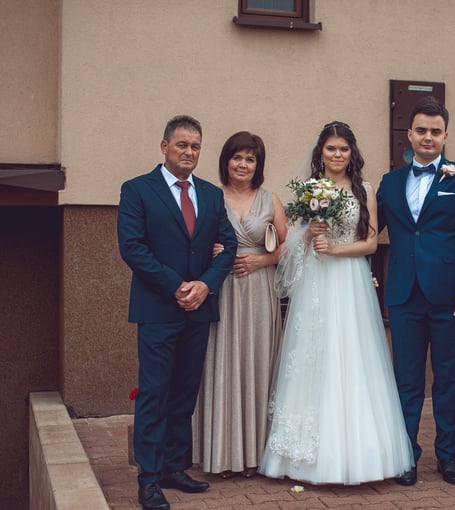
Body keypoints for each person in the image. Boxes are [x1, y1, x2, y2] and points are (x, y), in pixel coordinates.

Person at [258, 121, 413, 485]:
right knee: (314, 353)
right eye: (331, 148)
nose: (338, 154)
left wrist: (335, 249)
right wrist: (309, 234)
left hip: (350, 278)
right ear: (321, 152)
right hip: (317, 280)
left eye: (344, 149)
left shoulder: (365, 190)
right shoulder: (310, 190)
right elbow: (292, 242)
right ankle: (301, 455)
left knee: (353, 354)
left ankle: (359, 454)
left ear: (351, 153)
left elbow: (371, 243)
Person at [117, 115, 238, 510]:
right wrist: (176, 286)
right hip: (158, 309)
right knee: (154, 393)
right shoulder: (137, 190)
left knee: (185, 392)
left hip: (199, 308)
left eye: (195, 146)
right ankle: (149, 479)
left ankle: (173, 467)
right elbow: (133, 247)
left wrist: (205, 285)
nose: (189, 152)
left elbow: (229, 247)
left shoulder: (211, 194)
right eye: (182, 144)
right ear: (164, 146)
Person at [376, 96, 455, 486]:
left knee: (448, 379)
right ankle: (406, 455)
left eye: (435, 131)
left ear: (445, 136)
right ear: (409, 134)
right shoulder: (389, 182)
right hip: (403, 295)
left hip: (449, 297)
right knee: (406, 381)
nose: (428, 137)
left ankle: (446, 456)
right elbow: (370, 233)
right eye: (421, 130)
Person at [191, 131, 288, 479]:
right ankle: (222, 454)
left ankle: (256, 455)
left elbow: (288, 247)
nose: (243, 164)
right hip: (222, 289)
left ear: (258, 165)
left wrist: (262, 260)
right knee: (221, 362)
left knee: (258, 363)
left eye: (250, 159)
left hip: (260, 290)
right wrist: (210, 251)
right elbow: (191, 241)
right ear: (226, 161)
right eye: (237, 157)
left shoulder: (270, 199)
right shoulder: (209, 197)